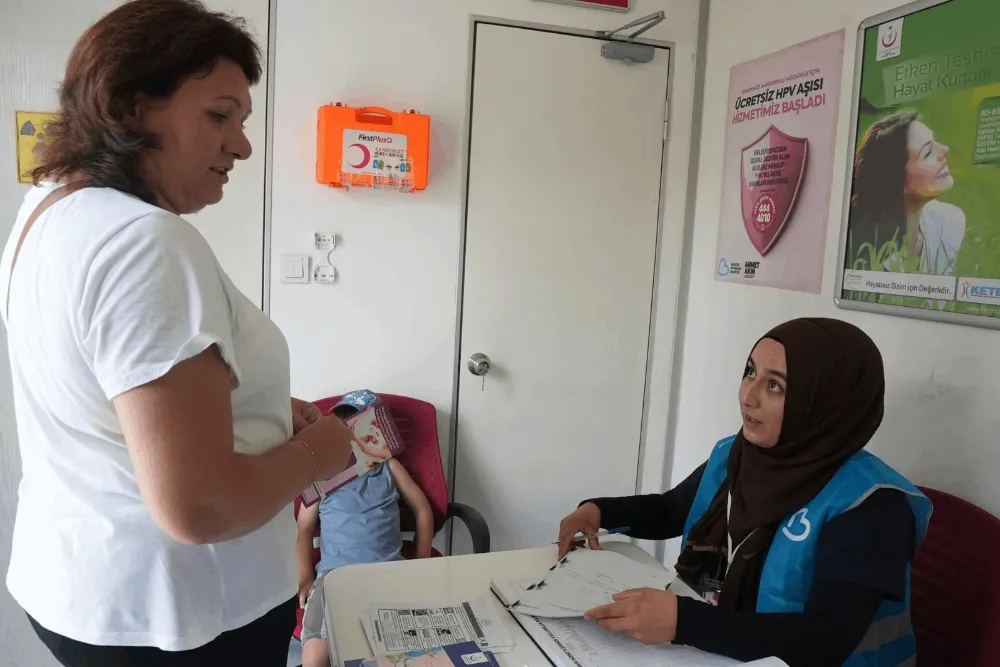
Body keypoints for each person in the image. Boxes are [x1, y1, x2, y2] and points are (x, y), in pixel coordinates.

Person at [1, 1, 357, 665]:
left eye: (242, 121)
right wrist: (322, 448)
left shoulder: (48, 212)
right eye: (219, 115)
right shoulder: (146, 244)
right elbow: (200, 506)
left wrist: (255, 410)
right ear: (132, 108)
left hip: (80, 586)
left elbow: (105, 390)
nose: (241, 146)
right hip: (177, 617)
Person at [557, 318, 930, 667]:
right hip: (732, 651)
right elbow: (673, 510)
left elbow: (824, 639)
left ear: (825, 402)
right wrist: (599, 512)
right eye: (750, 372)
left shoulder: (872, 505)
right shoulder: (739, 455)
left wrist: (684, 621)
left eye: (775, 385)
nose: (748, 396)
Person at [296, 391, 434, 667]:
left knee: (403, 650)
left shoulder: (389, 467)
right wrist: (305, 576)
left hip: (388, 571)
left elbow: (422, 510)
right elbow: (304, 529)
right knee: (316, 655)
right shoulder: (323, 472)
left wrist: (420, 564)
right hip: (335, 575)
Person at [849, 111, 965, 277]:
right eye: (927, 153)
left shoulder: (949, 223)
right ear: (896, 181)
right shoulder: (861, 255)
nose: (945, 149)